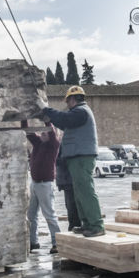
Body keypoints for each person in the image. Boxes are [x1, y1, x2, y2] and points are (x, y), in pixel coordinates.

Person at [41, 86, 105, 238]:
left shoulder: (81, 111)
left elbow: (65, 119)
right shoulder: (78, 114)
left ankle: (96, 225)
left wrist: (47, 110)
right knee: (79, 193)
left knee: (86, 191)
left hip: (82, 157)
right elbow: (64, 123)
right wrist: (51, 119)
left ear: (73, 99)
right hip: (77, 157)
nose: (67, 103)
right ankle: (87, 224)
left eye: (68, 100)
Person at [26, 125, 62, 254]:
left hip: (45, 184)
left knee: (49, 215)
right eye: (42, 132)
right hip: (34, 184)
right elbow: (28, 132)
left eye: (45, 133)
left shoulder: (53, 145)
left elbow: (52, 132)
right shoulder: (37, 144)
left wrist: (48, 121)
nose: (42, 134)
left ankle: (57, 243)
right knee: (31, 215)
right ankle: (33, 242)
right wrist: (24, 117)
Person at [55, 144, 80, 232]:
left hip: (69, 180)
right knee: (69, 206)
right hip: (66, 181)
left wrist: (54, 159)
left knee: (72, 206)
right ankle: (73, 225)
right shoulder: (64, 144)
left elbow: (64, 161)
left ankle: (74, 226)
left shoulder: (67, 145)